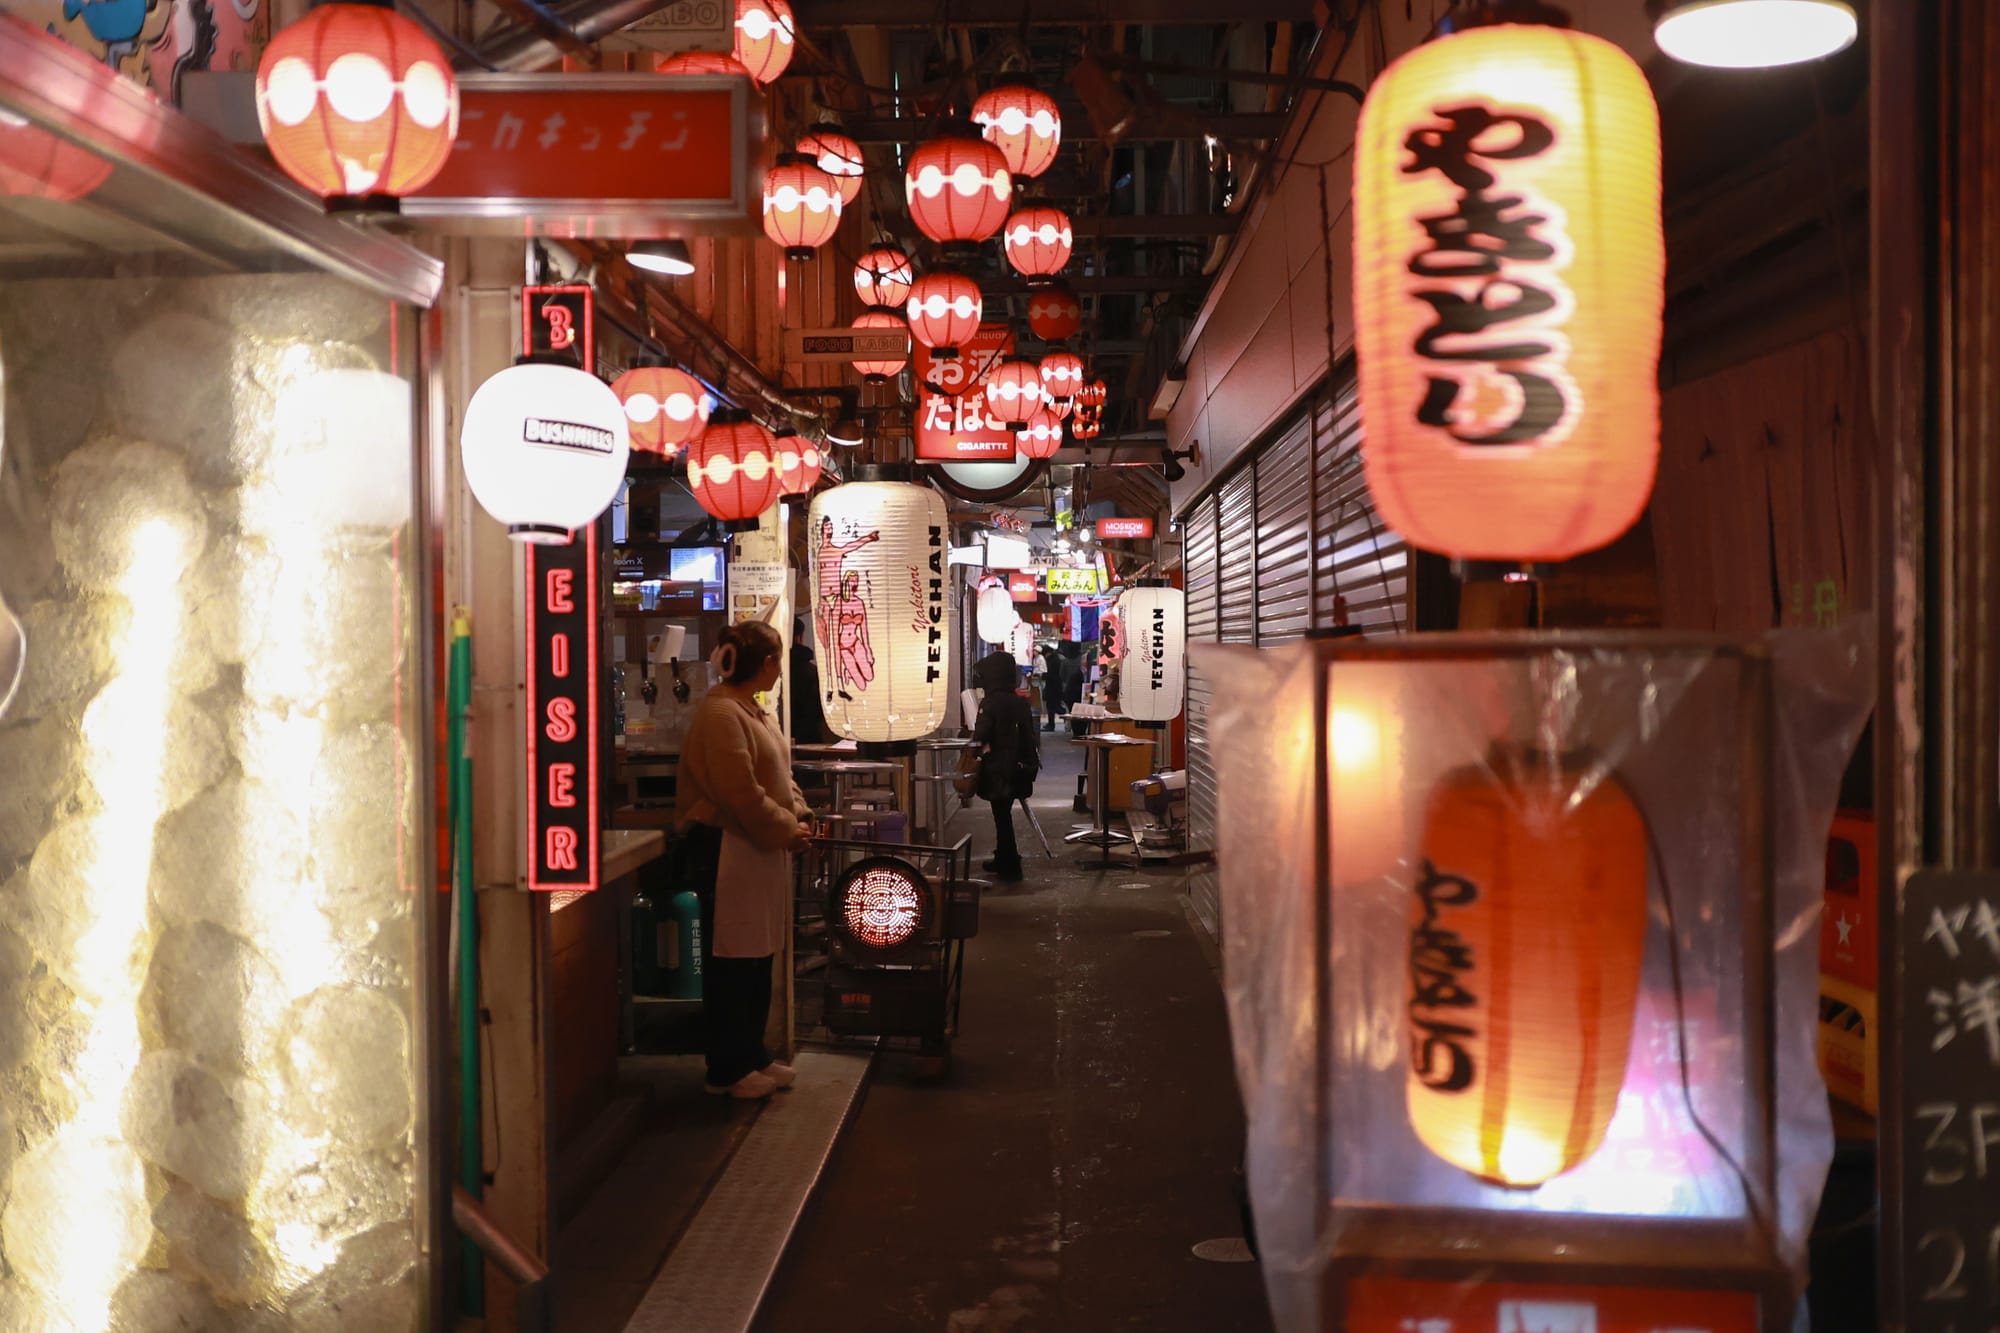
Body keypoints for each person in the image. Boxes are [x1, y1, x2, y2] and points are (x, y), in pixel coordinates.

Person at [677, 621, 814, 1099]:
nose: (781, 665)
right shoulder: (720, 715)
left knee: (758, 955)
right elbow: (740, 794)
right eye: (778, 656)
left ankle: (752, 1055)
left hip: (759, 847)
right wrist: (786, 827)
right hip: (727, 849)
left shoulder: (752, 710)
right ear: (768, 663)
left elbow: (780, 776)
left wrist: (800, 814)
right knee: (732, 960)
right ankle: (727, 1067)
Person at [971, 651, 1039, 883]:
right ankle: (1004, 857)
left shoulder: (990, 703)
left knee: (1001, 816)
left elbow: (980, 735)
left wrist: (971, 746)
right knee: (1003, 814)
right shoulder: (1019, 702)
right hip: (1020, 768)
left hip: (998, 769)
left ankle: (1009, 863)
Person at [789, 615, 827, 744]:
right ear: (799, 637)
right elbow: (816, 714)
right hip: (809, 744)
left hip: (773, 741)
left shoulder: (767, 671)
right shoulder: (813, 672)